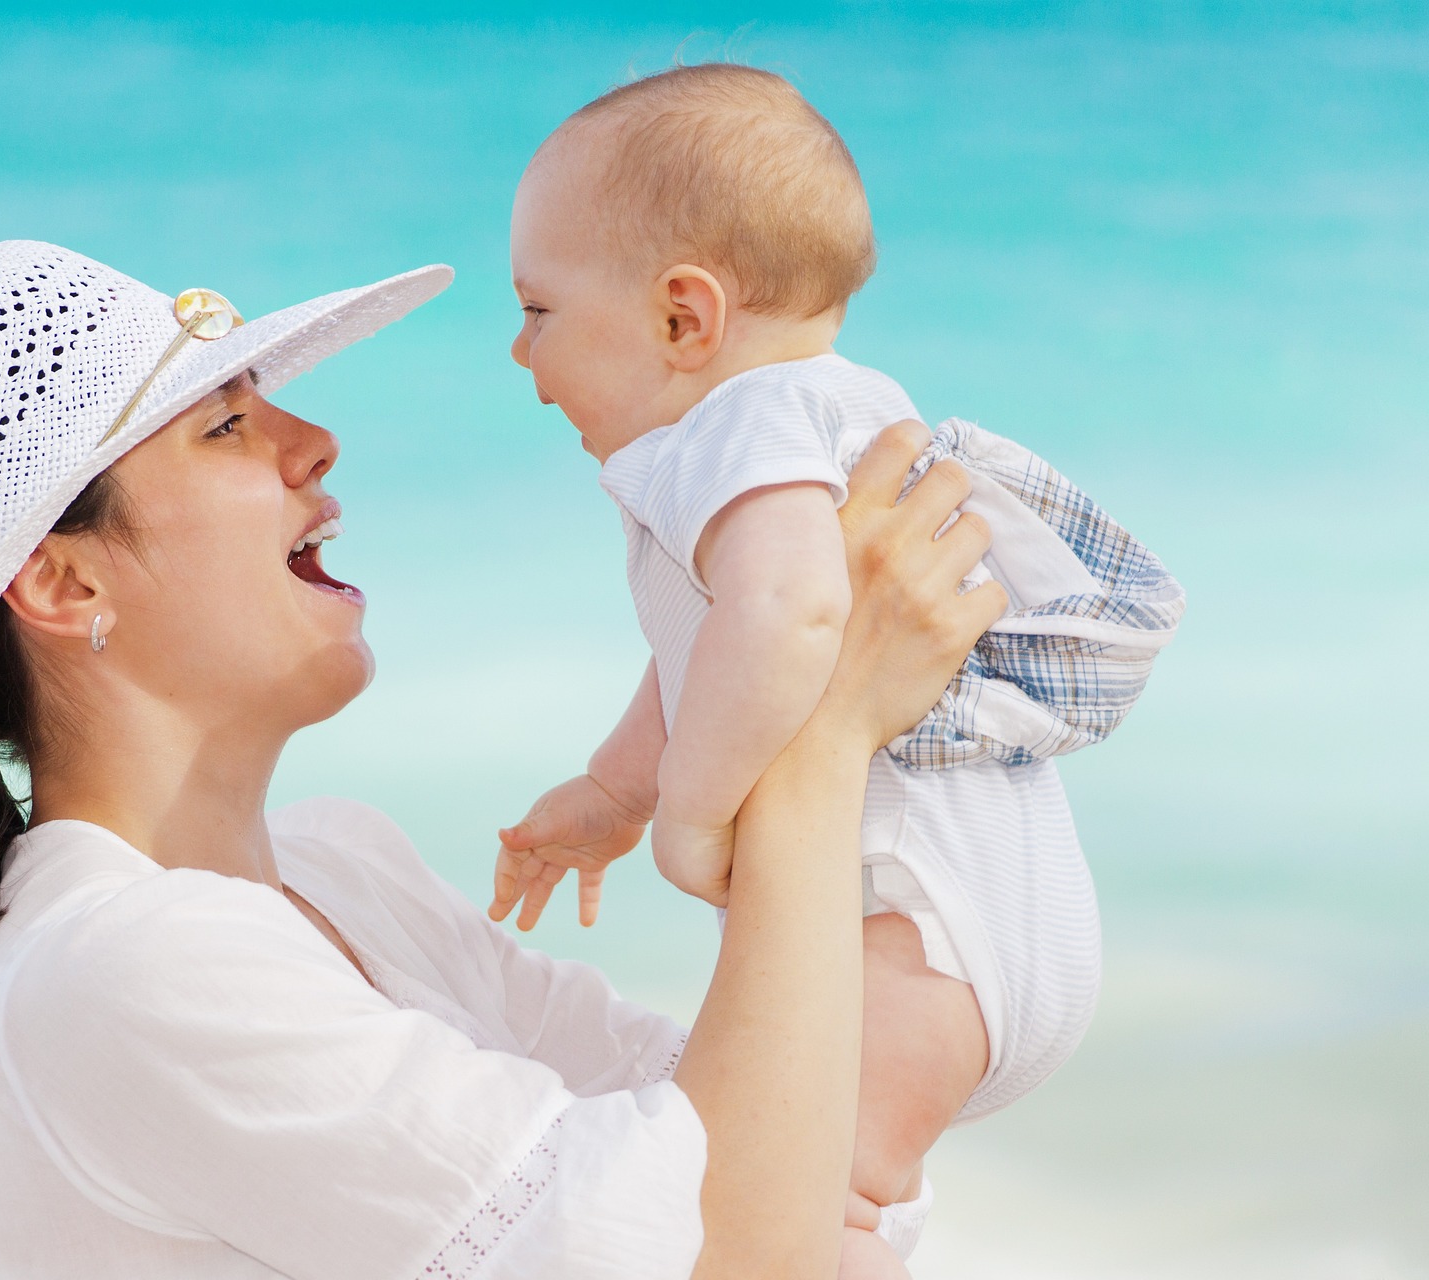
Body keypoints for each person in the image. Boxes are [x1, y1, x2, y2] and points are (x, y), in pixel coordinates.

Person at [0, 238, 1005, 1278]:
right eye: (225, 425)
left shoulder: (342, 865)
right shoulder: (112, 969)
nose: (315, 440)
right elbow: (736, 1245)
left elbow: (789, 1157)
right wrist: (822, 719)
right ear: (64, 578)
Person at [493, 65, 1185, 1273]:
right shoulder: (840, 410)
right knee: (834, 1191)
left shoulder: (738, 425)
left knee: (788, 1205)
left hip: (915, 926)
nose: (518, 350)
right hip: (986, 928)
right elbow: (712, 649)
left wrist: (692, 820)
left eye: (540, 309)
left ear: (683, 319)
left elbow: (790, 611)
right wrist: (617, 790)